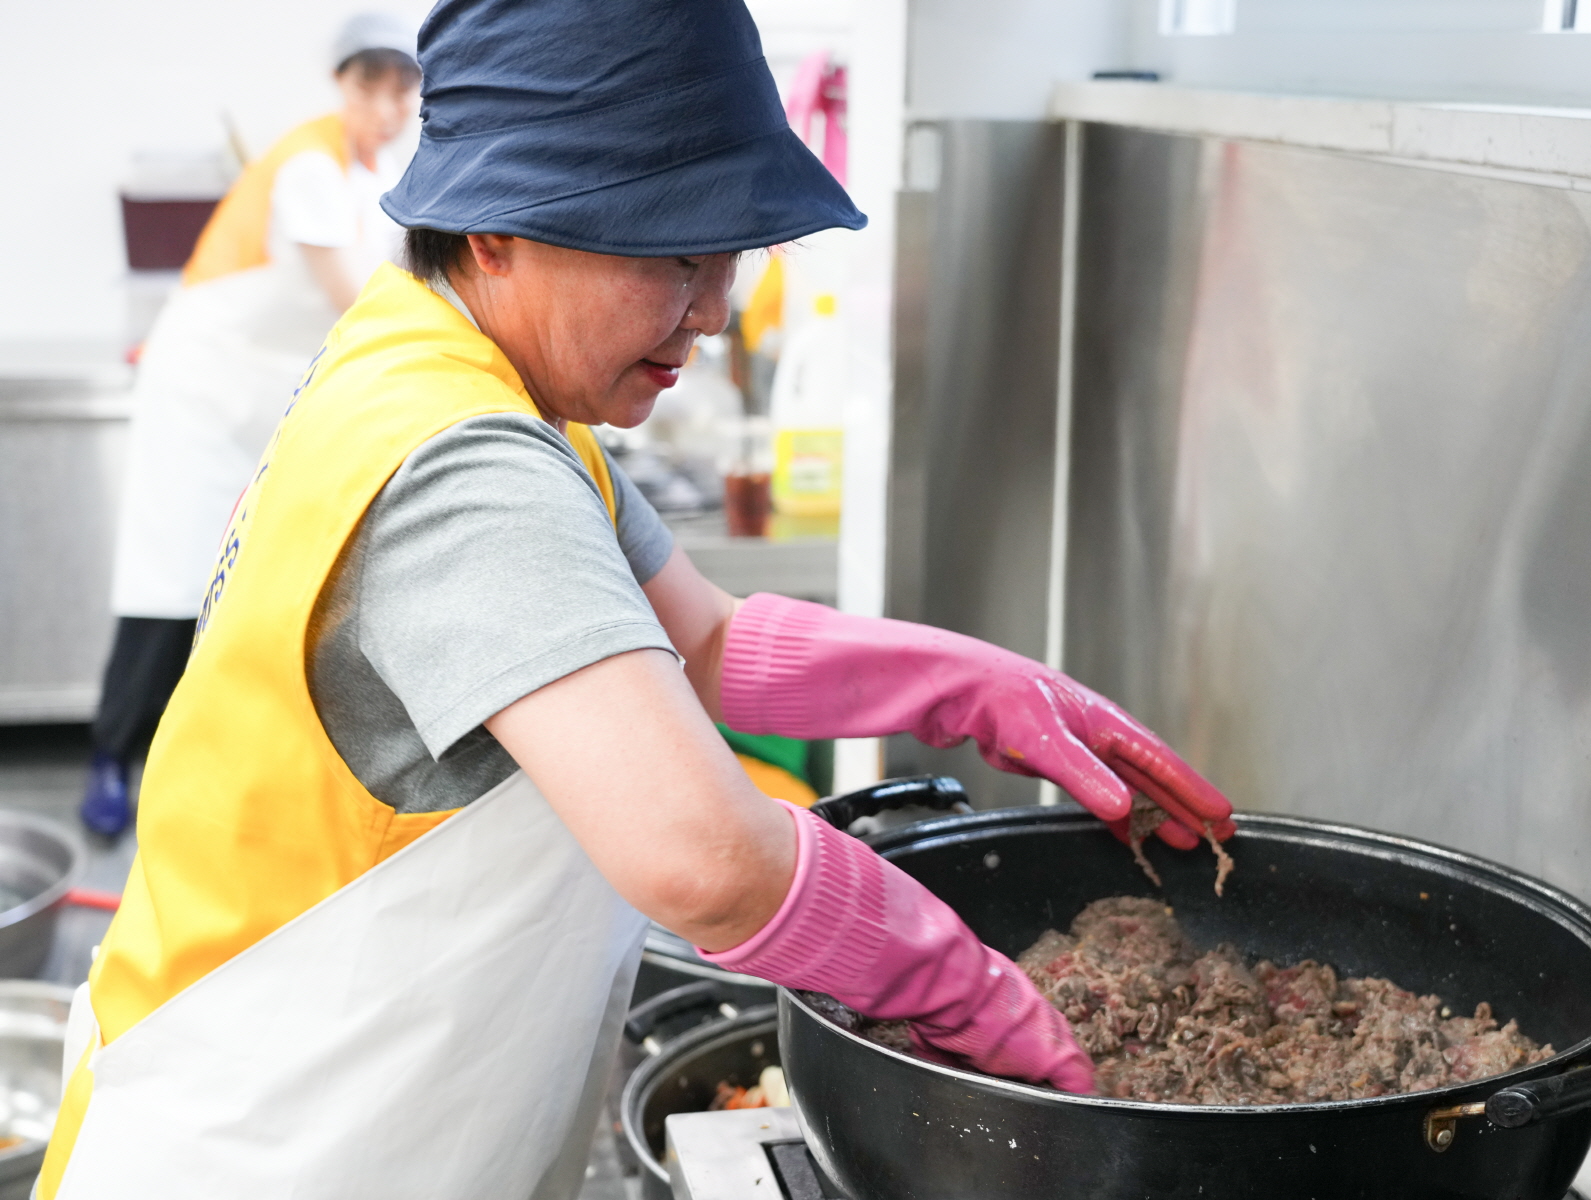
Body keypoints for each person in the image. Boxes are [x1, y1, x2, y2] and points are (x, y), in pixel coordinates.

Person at [39, 1, 1238, 1196]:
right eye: (673, 252)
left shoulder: (437, 361)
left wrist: (969, 688)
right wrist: (974, 995)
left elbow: (706, 640)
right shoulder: (468, 463)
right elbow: (705, 860)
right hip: (277, 1148)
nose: (712, 310)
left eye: (727, 253)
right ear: (496, 228)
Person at [81, 13, 422, 836]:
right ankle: (110, 757)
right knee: (170, 584)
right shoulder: (308, 163)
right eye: (367, 84)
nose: (385, 104)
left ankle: (200, 766)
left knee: (236, 584)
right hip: (201, 393)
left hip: (269, 399)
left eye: (400, 86)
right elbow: (360, 299)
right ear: (341, 84)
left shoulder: (369, 175)